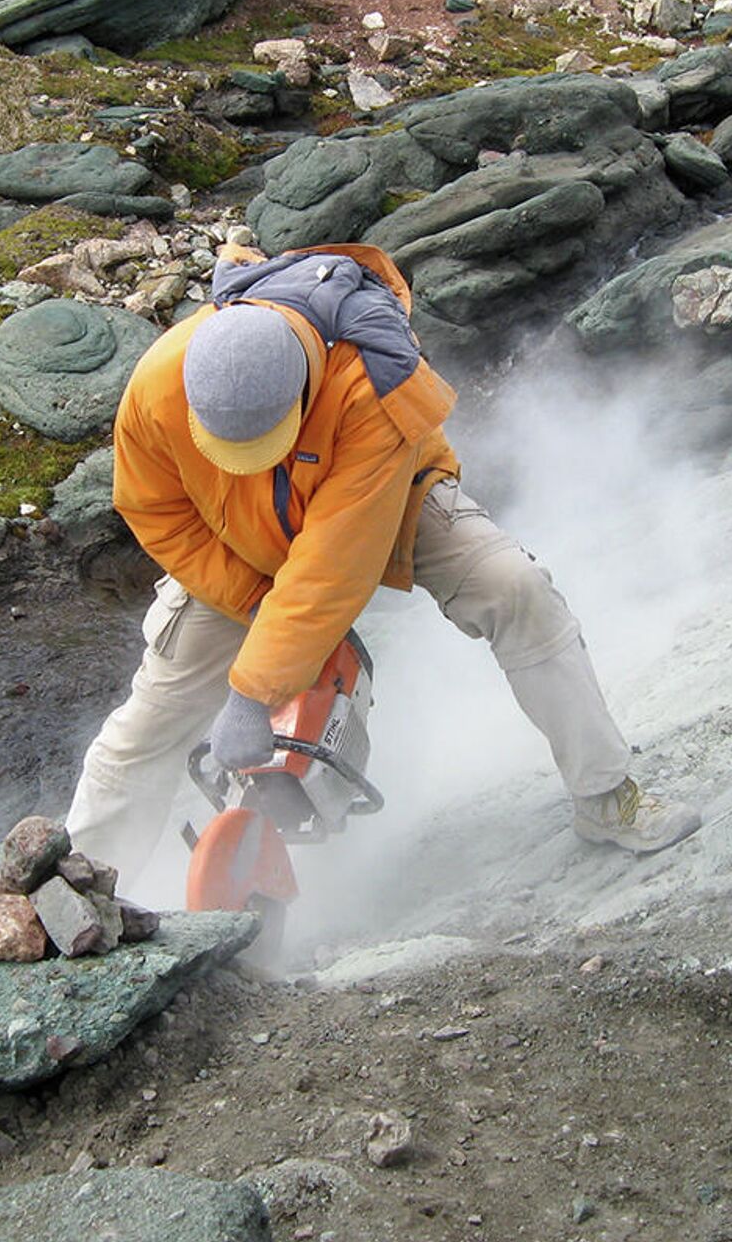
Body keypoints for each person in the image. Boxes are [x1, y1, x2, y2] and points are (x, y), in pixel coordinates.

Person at [63, 240, 700, 882]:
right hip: (236, 547)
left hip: (389, 504)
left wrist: (255, 694)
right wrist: (253, 601)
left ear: (303, 396)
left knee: (515, 589)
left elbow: (337, 560)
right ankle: (80, 889)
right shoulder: (157, 383)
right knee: (147, 724)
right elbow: (158, 514)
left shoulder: (372, 384)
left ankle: (607, 796)